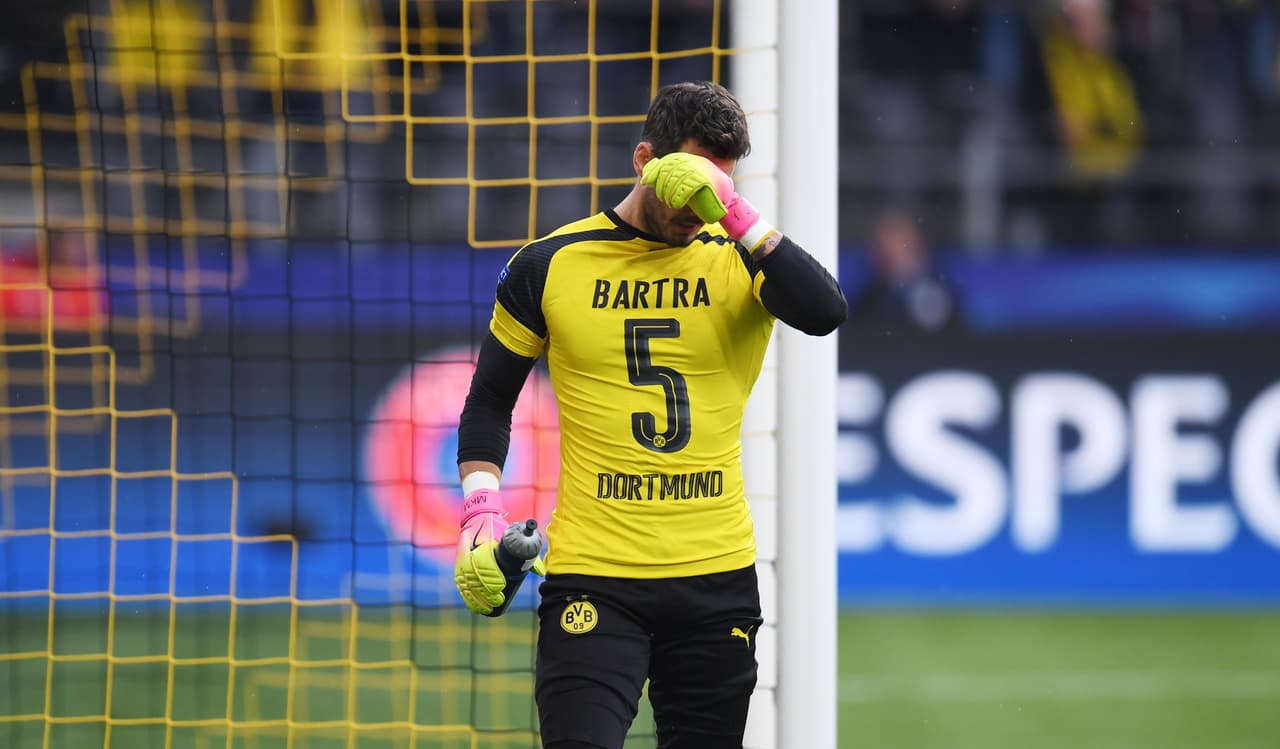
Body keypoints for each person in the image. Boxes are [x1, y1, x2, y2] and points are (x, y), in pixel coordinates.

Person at [452, 81, 846, 749]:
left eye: (717, 188)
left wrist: (736, 212)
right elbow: (490, 398)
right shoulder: (549, 264)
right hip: (595, 574)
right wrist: (479, 509)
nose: (699, 207)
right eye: (689, 182)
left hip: (715, 576)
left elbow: (825, 311)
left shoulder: (742, 257)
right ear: (644, 160)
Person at [848, 207, 965, 335]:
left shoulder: (946, 285)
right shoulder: (869, 299)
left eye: (900, 237)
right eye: (884, 241)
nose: (892, 248)